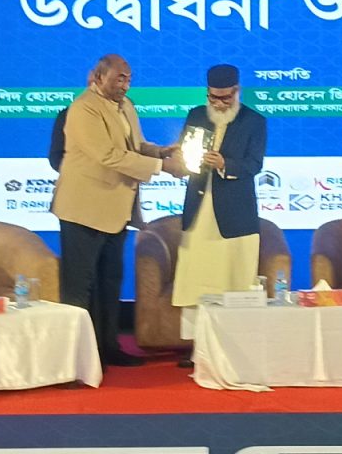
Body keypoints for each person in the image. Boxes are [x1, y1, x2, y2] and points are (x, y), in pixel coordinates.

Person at [52, 54, 182, 368]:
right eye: (119, 78)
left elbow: (134, 147)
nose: (125, 85)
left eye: (128, 79)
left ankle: (108, 348)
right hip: (83, 209)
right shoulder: (83, 109)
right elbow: (108, 155)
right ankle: (74, 362)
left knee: (110, 281)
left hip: (117, 209)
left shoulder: (126, 106)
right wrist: (163, 166)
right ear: (98, 77)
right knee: (79, 288)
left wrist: (161, 151)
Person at [171, 64, 266, 363]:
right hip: (199, 210)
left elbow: (254, 165)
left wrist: (225, 164)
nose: (220, 104)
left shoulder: (254, 121)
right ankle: (197, 348)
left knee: (233, 277)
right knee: (195, 278)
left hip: (235, 215)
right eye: (214, 98)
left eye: (225, 98)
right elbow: (184, 155)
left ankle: (235, 347)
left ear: (237, 92)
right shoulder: (196, 116)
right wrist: (182, 161)